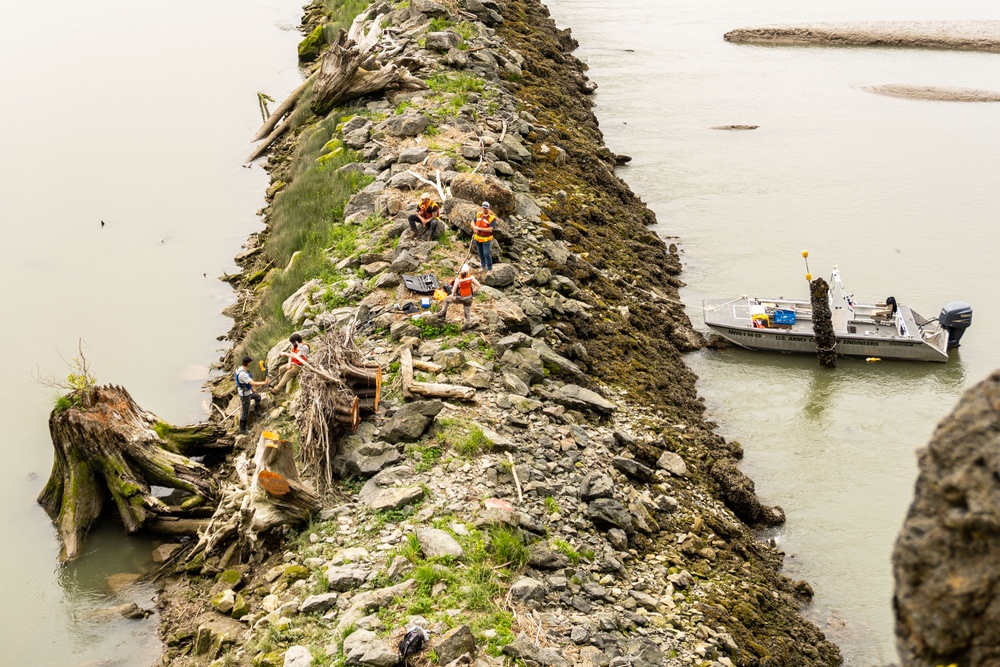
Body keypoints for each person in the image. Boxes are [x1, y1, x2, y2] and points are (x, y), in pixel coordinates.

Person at [234, 355, 266, 434]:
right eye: (250, 362)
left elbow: (247, 383)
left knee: (257, 397)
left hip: (247, 391)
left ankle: (258, 413)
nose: (250, 364)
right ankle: (242, 429)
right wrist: (264, 383)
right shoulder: (243, 374)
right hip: (245, 395)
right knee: (245, 412)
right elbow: (253, 382)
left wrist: (252, 388)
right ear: (247, 363)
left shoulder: (239, 369)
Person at [472, 201, 497, 274]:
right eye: (483, 208)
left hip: (486, 239)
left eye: (486, 208)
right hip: (477, 238)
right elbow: (472, 222)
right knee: (480, 252)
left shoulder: (492, 218)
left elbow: (490, 229)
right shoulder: (478, 214)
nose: (484, 209)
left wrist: (480, 229)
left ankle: (489, 268)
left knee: (486, 253)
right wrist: (474, 228)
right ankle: (483, 266)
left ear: (488, 208)